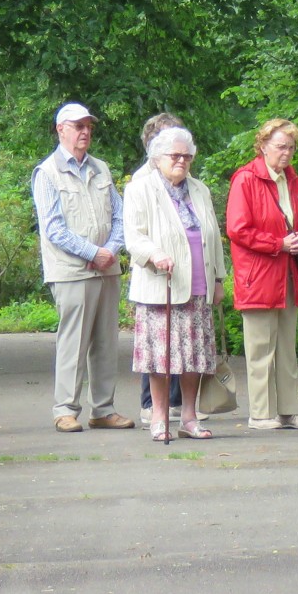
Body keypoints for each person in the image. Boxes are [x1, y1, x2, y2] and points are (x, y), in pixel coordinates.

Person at [31, 102, 133, 432]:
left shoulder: (100, 168)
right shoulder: (47, 173)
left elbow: (120, 215)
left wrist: (111, 249)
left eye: (88, 126)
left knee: (106, 341)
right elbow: (53, 227)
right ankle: (65, 409)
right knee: (73, 342)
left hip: (106, 267)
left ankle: (103, 409)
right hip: (71, 271)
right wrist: (92, 251)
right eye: (78, 126)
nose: (85, 131)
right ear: (61, 129)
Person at [124, 127, 229, 441]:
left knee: (195, 356)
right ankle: (158, 417)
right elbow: (134, 235)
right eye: (175, 156)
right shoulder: (140, 189)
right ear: (157, 159)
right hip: (162, 286)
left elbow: (213, 238)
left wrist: (219, 279)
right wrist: (155, 254)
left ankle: (189, 417)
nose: (182, 161)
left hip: (198, 286)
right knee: (161, 357)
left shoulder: (200, 190)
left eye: (187, 156)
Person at [226, 118, 298, 431]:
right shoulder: (245, 179)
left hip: (288, 276)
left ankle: (288, 412)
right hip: (258, 276)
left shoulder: (294, 182)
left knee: (286, 348)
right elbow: (237, 230)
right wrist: (278, 244)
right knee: (260, 350)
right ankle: (260, 414)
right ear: (263, 146)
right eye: (281, 146)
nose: (287, 153)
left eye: (291, 147)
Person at [133, 112, 185, 425]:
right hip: (156, 273)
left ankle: (177, 403)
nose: (176, 145)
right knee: (156, 344)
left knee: (179, 341)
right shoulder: (142, 180)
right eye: (168, 139)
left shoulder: (185, 181)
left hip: (183, 275)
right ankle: (151, 404)